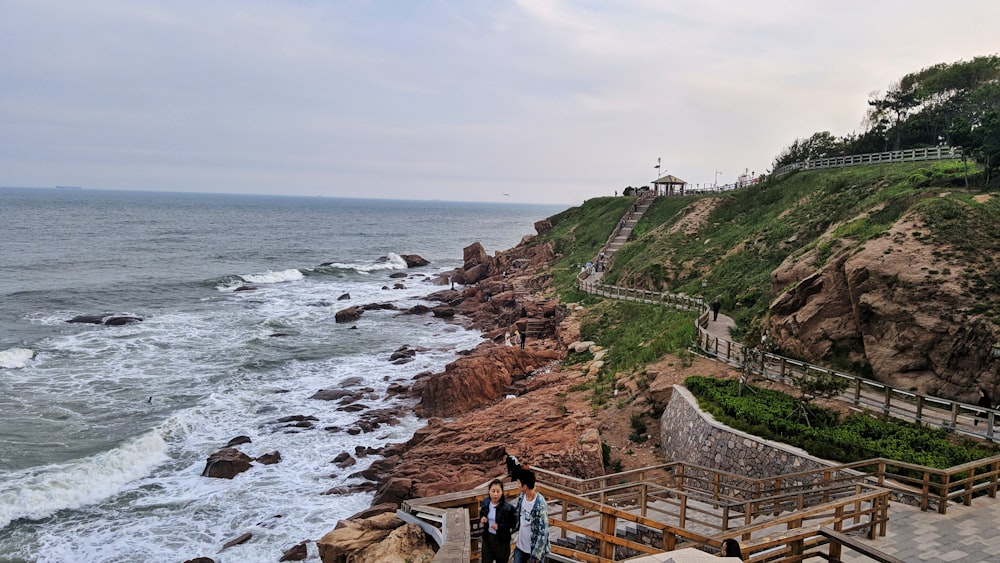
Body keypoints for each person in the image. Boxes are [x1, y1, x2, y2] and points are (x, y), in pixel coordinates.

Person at [512, 469, 549, 563]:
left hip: (534, 550)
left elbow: (543, 531)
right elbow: (517, 513)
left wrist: (537, 554)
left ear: (525, 486)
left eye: (519, 483)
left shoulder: (540, 503)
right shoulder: (522, 496)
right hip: (520, 546)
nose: (517, 485)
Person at [479, 479, 516, 563]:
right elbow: (482, 513)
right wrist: (482, 518)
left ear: (502, 492)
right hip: (487, 538)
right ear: (489, 492)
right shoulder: (485, 502)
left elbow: (514, 523)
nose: (495, 494)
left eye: (498, 491)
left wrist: (500, 526)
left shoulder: (508, 508)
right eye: (493, 491)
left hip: (502, 541)